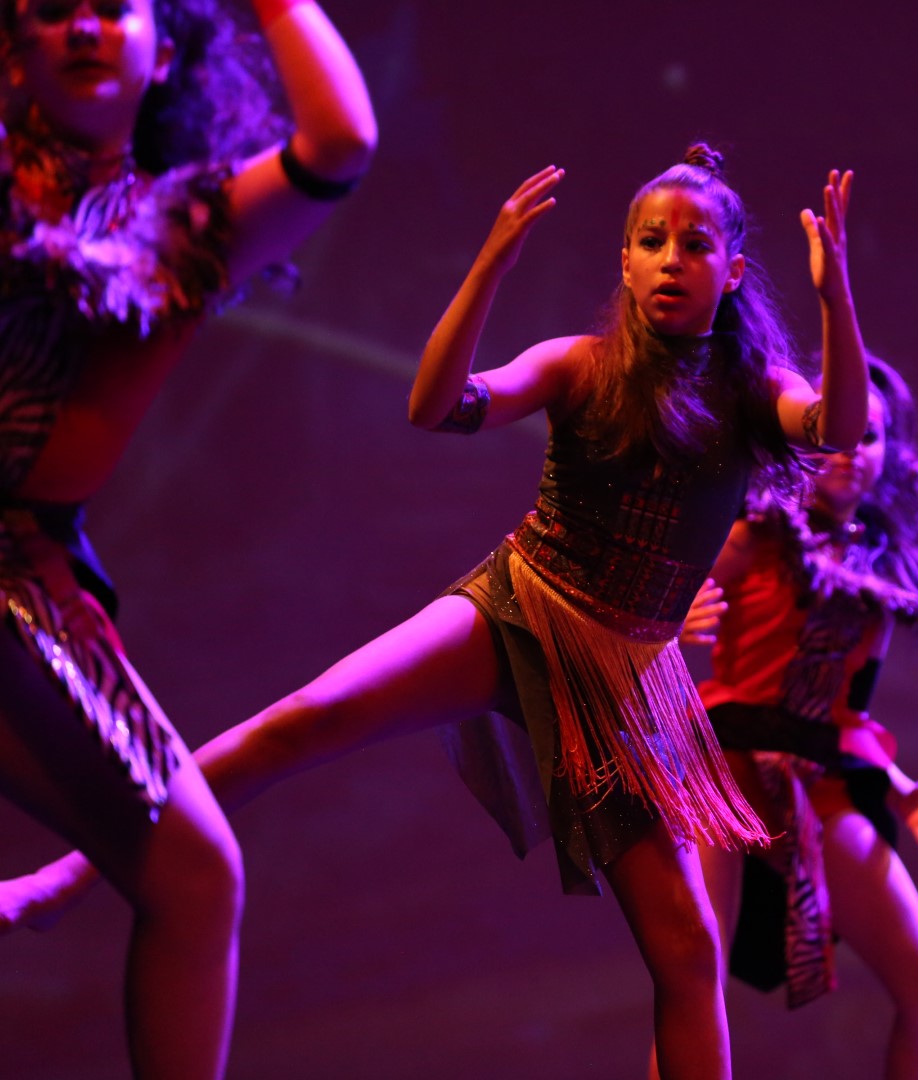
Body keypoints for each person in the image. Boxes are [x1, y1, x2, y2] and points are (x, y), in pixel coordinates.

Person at [4, 143, 871, 1079]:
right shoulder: (578, 364)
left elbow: (835, 427)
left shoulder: (753, 391)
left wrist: (835, 299)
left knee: (690, 955)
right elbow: (437, 406)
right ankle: (71, 876)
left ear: (732, 272)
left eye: (695, 245)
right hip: (520, 609)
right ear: (624, 262)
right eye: (652, 242)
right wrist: (490, 266)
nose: (671, 260)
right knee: (303, 720)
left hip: (625, 680)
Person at [0, 0, 374, 1076]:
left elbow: (340, 140)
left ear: (166, 50)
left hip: (24, 578)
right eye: (53, 8)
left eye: (113, 5)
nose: (85, 25)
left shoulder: (193, 226)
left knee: (196, 873)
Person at [665, 356, 918, 1080]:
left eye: (869, 437)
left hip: (819, 785)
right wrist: (673, 623)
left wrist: (899, 789)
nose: (849, 450)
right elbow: (654, 606)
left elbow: (843, 713)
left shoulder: (875, 570)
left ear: (889, 454)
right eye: (834, 431)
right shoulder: (758, 532)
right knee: (696, 979)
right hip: (727, 769)